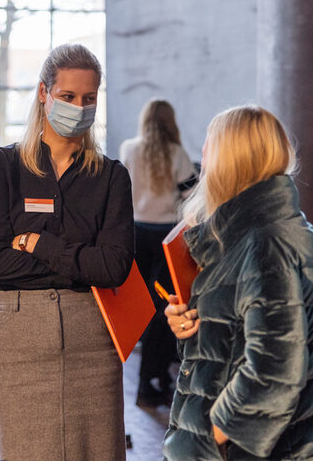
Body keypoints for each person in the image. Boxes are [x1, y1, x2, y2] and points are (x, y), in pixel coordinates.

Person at [0, 43, 134, 460]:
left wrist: (38, 244)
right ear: (44, 94)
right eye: (68, 97)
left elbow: (115, 266)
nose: (79, 107)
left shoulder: (112, 176)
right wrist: (81, 263)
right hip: (16, 335)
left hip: (91, 337)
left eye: (89, 98)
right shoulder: (2, 166)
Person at [163, 105, 313, 459]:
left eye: (209, 145)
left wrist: (208, 438)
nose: (203, 156)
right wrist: (192, 325)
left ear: (231, 158)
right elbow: (236, 337)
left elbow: (273, 369)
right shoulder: (255, 232)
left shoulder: (264, 240)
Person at [119, 98, 196, 408]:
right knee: (164, 310)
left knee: (140, 309)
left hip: (135, 235)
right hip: (166, 239)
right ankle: (155, 380)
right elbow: (192, 196)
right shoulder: (177, 154)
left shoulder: (129, 149)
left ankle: (145, 382)